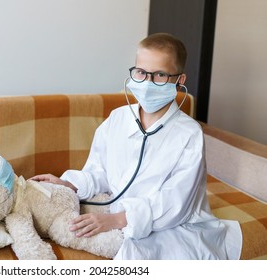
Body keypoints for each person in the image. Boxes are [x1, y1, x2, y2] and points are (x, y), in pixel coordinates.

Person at [31, 33, 242, 259]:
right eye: (141, 73)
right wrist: (68, 183)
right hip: (124, 216)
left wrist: (118, 220)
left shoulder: (189, 134)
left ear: (180, 80)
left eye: (160, 74)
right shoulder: (117, 119)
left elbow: (176, 203)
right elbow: (100, 172)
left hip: (171, 224)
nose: (148, 83)